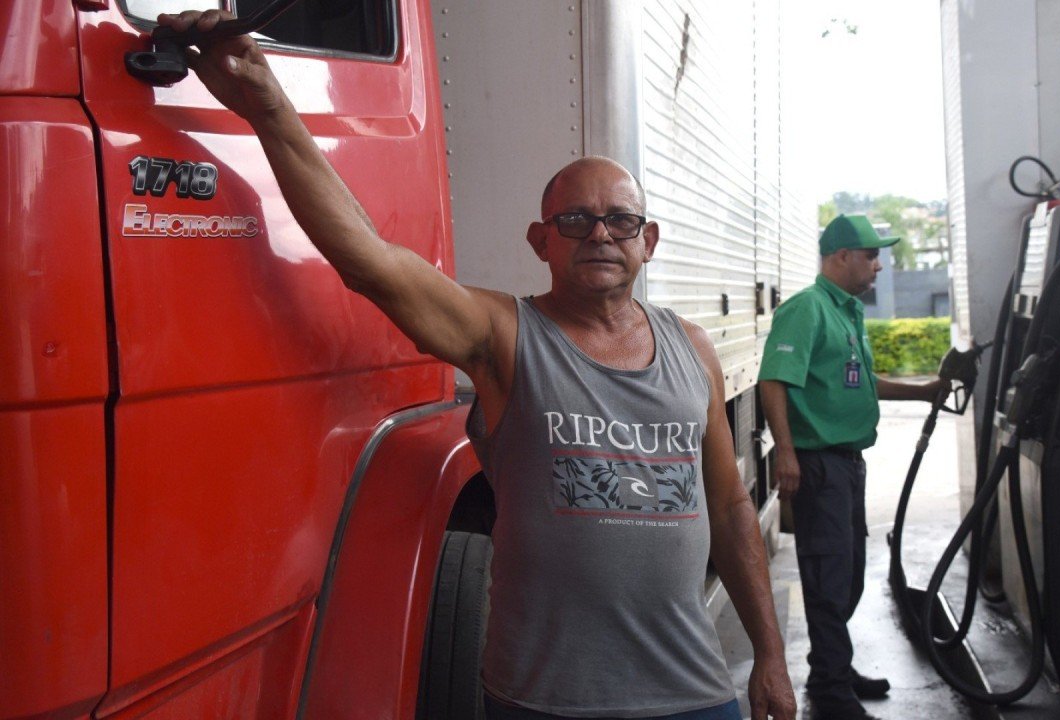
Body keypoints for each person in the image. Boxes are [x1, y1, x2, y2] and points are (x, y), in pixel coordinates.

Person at [158, 10, 796, 720]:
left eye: (620, 220)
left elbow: (732, 508)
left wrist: (769, 655)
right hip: (545, 703)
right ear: (540, 242)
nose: (600, 234)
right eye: (575, 220)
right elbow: (371, 263)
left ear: (648, 240)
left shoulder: (693, 350)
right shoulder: (502, 335)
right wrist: (269, 106)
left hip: (695, 697)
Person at [757, 215, 948, 720]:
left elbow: (862, 381)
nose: (879, 264)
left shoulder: (847, 312)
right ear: (841, 256)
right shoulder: (807, 309)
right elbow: (774, 380)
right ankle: (832, 693)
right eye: (870, 254)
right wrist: (787, 452)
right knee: (827, 576)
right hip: (818, 464)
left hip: (846, 465)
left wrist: (925, 390)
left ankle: (832, 670)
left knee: (850, 576)